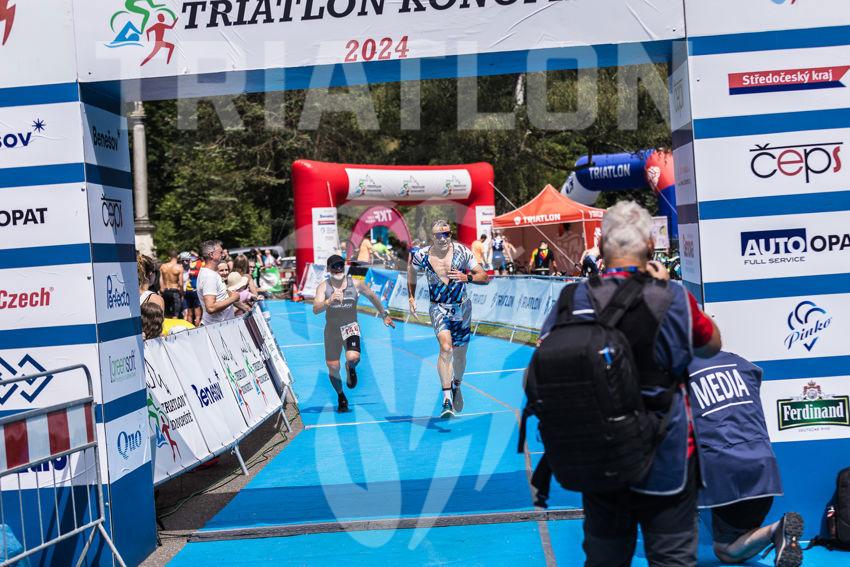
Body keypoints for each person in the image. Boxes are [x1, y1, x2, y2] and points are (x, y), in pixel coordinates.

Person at [538, 200, 722, 567]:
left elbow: (544, 356)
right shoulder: (672, 297)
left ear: (601, 245)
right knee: (672, 558)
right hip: (666, 451)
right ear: (650, 246)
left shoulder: (573, 298)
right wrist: (666, 287)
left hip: (599, 450)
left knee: (605, 557)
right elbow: (711, 344)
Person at [688, 352, 802, 567]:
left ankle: (776, 530)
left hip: (723, 468)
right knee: (739, 537)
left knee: (726, 552)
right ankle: (778, 532)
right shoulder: (739, 362)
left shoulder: (677, 371)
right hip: (763, 464)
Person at [408, 220, 489, 418]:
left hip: (462, 308)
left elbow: (484, 276)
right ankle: (446, 400)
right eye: (439, 235)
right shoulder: (422, 255)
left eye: (446, 234)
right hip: (438, 307)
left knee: (460, 356)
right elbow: (411, 271)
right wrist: (411, 297)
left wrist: (467, 277)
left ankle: (456, 385)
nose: (443, 238)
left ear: (450, 235)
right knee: (446, 348)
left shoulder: (463, 252)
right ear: (432, 237)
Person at [313, 255, 395, 412]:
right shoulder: (323, 287)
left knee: (353, 357)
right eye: (334, 266)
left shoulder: (356, 284)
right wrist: (328, 301)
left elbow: (372, 296)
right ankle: (341, 395)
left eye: (340, 265)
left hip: (350, 327)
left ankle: (350, 367)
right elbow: (316, 309)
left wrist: (384, 314)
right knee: (333, 366)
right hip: (332, 330)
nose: (338, 269)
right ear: (329, 269)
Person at [197, 240, 240, 325]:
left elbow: (221, 296)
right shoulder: (209, 276)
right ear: (211, 255)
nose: (223, 255)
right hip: (216, 327)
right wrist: (233, 298)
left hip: (221, 326)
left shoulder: (212, 273)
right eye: (220, 252)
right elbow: (211, 308)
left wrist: (246, 308)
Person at [160, 249, 184, 314]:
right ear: (177, 256)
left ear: (169, 257)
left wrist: (162, 289)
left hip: (165, 291)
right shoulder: (179, 267)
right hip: (175, 291)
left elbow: (161, 279)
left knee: (166, 314)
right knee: (175, 315)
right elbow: (181, 283)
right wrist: (182, 294)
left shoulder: (163, 266)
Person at [183, 253, 203, 326]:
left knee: (189, 313)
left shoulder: (185, 265)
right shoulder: (199, 263)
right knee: (198, 315)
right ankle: (197, 329)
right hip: (195, 290)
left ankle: (189, 329)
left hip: (187, 290)